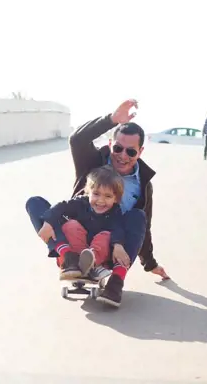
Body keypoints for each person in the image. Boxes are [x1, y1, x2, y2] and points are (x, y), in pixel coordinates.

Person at [25, 99, 170, 307]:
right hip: (75, 234)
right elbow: (77, 139)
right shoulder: (92, 162)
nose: (122, 156)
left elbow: (143, 229)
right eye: (118, 148)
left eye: (131, 152)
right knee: (35, 203)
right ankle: (69, 259)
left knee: (138, 216)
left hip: (112, 244)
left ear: (140, 152)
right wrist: (111, 120)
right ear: (111, 144)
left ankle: (115, 282)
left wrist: (150, 264)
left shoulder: (143, 185)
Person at [28, 165, 127, 283]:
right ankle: (70, 258)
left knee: (106, 236)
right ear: (88, 192)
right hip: (72, 252)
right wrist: (49, 222)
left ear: (116, 199)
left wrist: (118, 245)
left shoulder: (115, 211)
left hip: (96, 257)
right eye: (96, 194)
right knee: (71, 225)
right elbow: (61, 207)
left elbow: (118, 229)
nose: (101, 200)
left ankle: (90, 264)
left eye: (108, 196)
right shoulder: (81, 203)